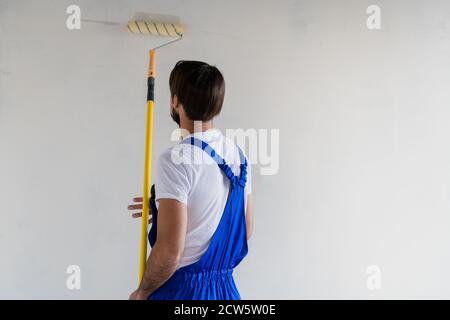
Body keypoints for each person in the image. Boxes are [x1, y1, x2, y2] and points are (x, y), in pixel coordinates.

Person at [128, 61, 253, 300]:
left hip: (183, 292)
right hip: (226, 291)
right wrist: (169, 212)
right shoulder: (239, 155)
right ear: (217, 104)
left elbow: (169, 252)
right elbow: (244, 229)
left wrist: (142, 292)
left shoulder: (176, 159)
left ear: (175, 101)